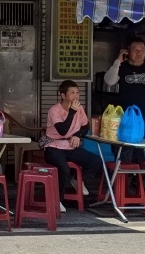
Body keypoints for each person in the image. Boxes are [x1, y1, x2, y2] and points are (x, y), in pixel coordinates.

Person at [44, 81, 104, 213]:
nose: (76, 96)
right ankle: (57, 200)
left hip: (71, 147)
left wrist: (77, 135)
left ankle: (77, 180)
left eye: (77, 92)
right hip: (54, 147)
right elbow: (62, 131)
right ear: (63, 95)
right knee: (64, 169)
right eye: (72, 93)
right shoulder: (55, 110)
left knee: (96, 161)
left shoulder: (80, 109)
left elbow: (85, 126)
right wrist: (71, 112)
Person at [103, 37, 145, 141]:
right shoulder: (122, 67)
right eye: (135, 50)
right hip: (126, 116)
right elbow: (109, 81)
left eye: (142, 50)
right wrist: (118, 61)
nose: (139, 53)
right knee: (126, 150)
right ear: (128, 52)